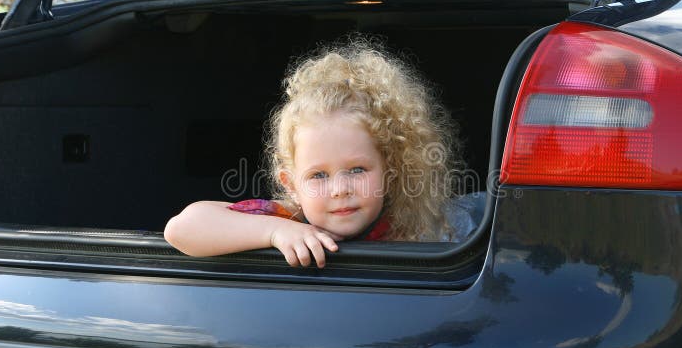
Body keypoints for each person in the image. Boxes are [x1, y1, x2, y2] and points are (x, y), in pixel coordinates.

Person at [164, 38, 464, 267]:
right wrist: (274, 233)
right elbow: (181, 229)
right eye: (318, 175)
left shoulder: (412, 230)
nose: (339, 190)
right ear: (291, 185)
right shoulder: (287, 218)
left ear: (389, 169)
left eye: (358, 170)